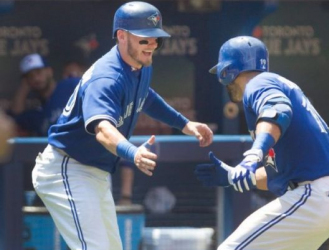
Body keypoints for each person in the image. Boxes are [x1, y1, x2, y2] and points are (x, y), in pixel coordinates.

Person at [31, 2, 213, 249]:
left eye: (156, 40)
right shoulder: (107, 77)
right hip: (67, 169)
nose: (151, 46)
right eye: (144, 39)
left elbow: (145, 96)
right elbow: (103, 131)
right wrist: (133, 152)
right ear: (122, 36)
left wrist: (185, 124)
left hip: (93, 172)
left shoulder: (138, 65)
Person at [195, 36, 329, 250]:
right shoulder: (275, 84)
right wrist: (233, 176)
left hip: (316, 195)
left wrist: (253, 155)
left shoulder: (257, 83)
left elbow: (278, 111)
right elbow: (280, 172)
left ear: (228, 71)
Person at [10, 53, 80, 136]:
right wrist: (23, 88)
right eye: (30, 76)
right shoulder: (37, 114)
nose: (36, 78)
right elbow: (16, 114)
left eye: (39, 72)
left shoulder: (69, 85)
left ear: (49, 71)